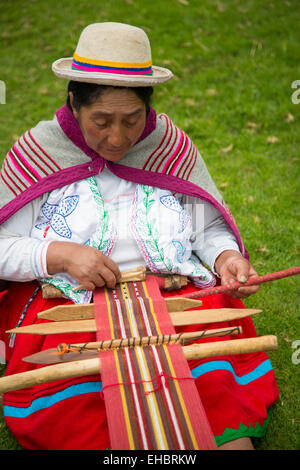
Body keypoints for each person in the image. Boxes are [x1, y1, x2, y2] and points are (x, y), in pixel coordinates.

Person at [0, 22, 278, 450]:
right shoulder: (40, 152)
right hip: (72, 305)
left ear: (148, 107)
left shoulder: (167, 145)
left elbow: (208, 226)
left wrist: (225, 258)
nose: (117, 137)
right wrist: (60, 254)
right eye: (101, 121)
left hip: (175, 296)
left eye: (131, 120)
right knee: (89, 412)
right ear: (73, 103)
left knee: (211, 400)